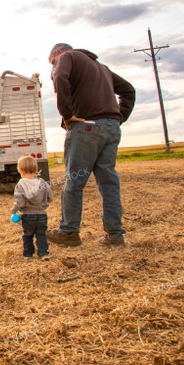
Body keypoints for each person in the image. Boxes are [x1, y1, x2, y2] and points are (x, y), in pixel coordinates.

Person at [47, 43, 136, 247]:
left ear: (59, 53)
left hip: (86, 127)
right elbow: (129, 90)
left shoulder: (67, 57)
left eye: (53, 62)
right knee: (109, 184)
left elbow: (61, 78)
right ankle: (115, 235)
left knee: (73, 182)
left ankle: (69, 232)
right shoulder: (102, 68)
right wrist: (118, 118)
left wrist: (68, 115)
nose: (54, 67)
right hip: (111, 129)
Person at [12, 155, 53, 259]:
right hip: (42, 215)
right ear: (36, 170)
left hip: (28, 216)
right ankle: (43, 253)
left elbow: (19, 201)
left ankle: (28, 254)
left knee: (27, 235)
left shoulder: (21, 184)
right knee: (41, 234)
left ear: (21, 171)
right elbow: (50, 197)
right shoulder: (43, 183)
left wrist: (14, 209)